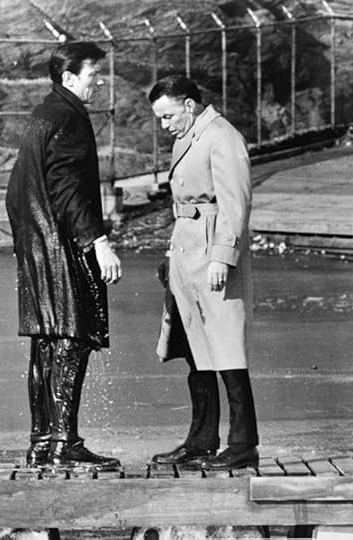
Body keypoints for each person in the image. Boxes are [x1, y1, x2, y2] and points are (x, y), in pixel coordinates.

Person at [6, 41, 122, 469]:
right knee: (71, 340)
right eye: (94, 74)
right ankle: (64, 444)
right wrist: (98, 242)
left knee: (46, 344)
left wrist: (29, 243)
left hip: (37, 248)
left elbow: (15, 192)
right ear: (70, 78)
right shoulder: (70, 117)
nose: (101, 82)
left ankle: (42, 443)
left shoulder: (42, 114)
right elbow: (69, 187)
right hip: (62, 247)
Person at [149, 75, 259, 470]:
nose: (165, 125)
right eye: (160, 119)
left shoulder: (222, 137)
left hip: (212, 254)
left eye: (168, 116)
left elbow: (235, 203)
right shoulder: (188, 136)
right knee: (196, 350)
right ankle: (202, 439)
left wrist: (222, 257)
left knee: (227, 350)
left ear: (189, 104)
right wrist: (172, 256)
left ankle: (243, 443)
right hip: (187, 253)